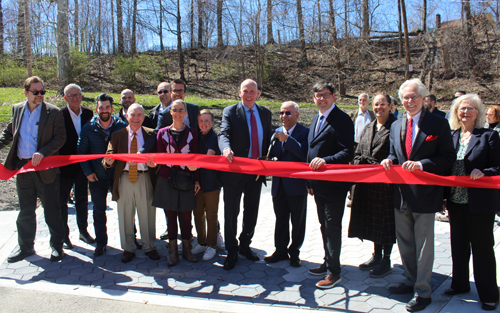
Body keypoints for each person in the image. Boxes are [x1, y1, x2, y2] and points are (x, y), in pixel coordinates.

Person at [381, 78, 455, 312]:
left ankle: (423, 292)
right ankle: (410, 280)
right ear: (400, 100)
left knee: (424, 247)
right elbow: (394, 153)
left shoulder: (438, 124)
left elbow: (447, 158)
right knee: (405, 243)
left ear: (424, 99)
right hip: (400, 194)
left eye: (414, 96)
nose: (410, 101)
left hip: (425, 195)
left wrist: (423, 164)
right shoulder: (395, 124)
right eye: (406, 97)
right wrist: (389, 160)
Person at [0, 76, 66, 263]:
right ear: (26, 92)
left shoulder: (53, 112)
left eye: (42, 92)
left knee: (52, 209)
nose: (40, 95)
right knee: (26, 210)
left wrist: (43, 153)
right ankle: (26, 247)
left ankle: (56, 246)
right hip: (22, 168)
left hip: (45, 168)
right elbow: (8, 133)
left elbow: (60, 138)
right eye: (35, 92)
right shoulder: (17, 109)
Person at [444, 94, 499, 311]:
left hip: (479, 204)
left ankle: (489, 294)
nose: (465, 112)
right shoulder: (451, 136)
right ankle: (459, 284)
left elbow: (498, 166)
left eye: (470, 108)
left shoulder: (489, 136)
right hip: (456, 201)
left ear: (478, 112)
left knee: (482, 249)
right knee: (458, 246)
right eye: (461, 109)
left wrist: (483, 172)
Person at [218, 79, 273, 270]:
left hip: (256, 173)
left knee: (252, 211)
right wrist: (226, 149)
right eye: (245, 91)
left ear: (258, 93)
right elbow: (223, 134)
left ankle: (245, 245)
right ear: (239, 93)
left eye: (252, 91)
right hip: (235, 170)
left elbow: (270, 136)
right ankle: (231, 251)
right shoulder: (230, 112)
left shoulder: (265, 113)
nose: (249, 95)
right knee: (231, 213)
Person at [306, 81, 354, 289]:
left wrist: (327, 160)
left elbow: (347, 152)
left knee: (332, 226)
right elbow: (311, 151)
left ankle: (334, 273)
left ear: (334, 96)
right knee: (323, 225)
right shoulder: (317, 118)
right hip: (318, 184)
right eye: (318, 95)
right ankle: (328, 262)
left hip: (334, 185)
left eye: (325, 95)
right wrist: (309, 180)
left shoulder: (342, 119)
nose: (321, 99)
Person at [103, 103, 160, 263]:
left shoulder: (151, 134)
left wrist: (155, 164)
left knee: (148, 214)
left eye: (139, 115)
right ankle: (128, 248)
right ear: (126, 116)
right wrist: (108, 162)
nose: (136, 118)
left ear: (144, 117)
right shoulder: (117, 135)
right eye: (132, 115)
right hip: (124, 178)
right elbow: (109, 154)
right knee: (125, 215)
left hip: (144, 178)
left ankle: (149, 246)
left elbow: (159, 157)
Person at [348, 93, 397, 278]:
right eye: (376, 104)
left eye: (383, 104)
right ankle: (376, 255)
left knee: (385, 222)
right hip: (367, 182)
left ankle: (386, 259)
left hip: (386, 183)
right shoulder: (369, 126)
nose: (379, 107)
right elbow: (358, 151)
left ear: (390, 106)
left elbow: (396, 153)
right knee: (373, 220)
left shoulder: (395, 126)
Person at [150, 100, 200, 266]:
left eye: (181, 110)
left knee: (186, 216)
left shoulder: (193, 132)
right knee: (170, 216)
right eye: (175, 110)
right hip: (167, 179)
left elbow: (197, 158)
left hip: (186, 179)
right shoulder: (162, 133)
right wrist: (153, 163)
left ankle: (187, 250)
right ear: (170, 112)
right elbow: (159, 157)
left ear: (186, 112)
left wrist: (197, 179)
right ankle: (173, 252)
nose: (178, 113)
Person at [78, 93, 127, 257]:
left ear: (112, 109)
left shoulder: (122, 126)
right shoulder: (88, 128)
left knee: (125, 209)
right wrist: (88, 172)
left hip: (117, 177)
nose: (104, 110)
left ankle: (130, 240)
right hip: (96, 177)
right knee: (98, 211)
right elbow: (82, 152)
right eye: (101, 107)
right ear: (96, 108)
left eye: (107, 107)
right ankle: (101, 243)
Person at [264, 101, 309, 268]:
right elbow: (271, 153)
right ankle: (280, 250)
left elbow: (304, 155)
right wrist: (272, 159)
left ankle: (295, 252)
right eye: (282, 113)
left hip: (296, 186)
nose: (284, 116)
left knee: (297, 221)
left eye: (288, 113)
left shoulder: (305, 132)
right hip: (278, 185)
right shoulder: (274, 132)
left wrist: (288, 140)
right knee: (280, 219)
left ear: (297, 115)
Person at [59, 84, 95, 249]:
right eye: (71, 95)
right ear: (65, 98)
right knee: (62, 202)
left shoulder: (88, 113)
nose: (75, 98)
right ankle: (64, 235)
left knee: (82, 200)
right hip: (65, 166)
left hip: (83, 165)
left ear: (82, 96)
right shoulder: (59, 115)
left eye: (78, 94)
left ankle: (83, 231)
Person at [192, 109, 222, 261]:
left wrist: (193, 161)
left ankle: (211, 245)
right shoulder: (195, 137)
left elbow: (207, 157)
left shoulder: (215, 138)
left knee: (211, 215)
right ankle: (201, 241)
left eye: (206, 121)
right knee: (197, 213)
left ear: (212, 122)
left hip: (212, 183)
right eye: (201, 121)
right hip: (197, 182)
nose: (203, 124)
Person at [149, 82, 172, 240]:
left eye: (165, 91)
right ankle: (169, 227)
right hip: (160, 163)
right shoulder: (152, 113)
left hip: (180, 161)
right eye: (160, 92)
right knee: (165, 197)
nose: (162, 94)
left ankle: (187, 229)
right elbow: (152, 136)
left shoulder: (180, 108)